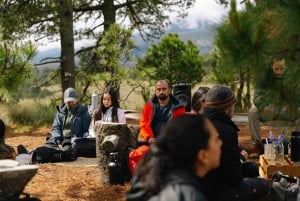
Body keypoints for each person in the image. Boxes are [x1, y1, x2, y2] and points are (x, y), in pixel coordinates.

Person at [126, 114, 222, 201]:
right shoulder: (188, 196)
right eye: (216, 139)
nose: (220, 143)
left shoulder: (152, 181)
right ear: (203, 155)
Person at [201, 85, 270, 201]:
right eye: (233, 106)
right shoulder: (227, 132)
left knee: (253, 168)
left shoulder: (197, 123)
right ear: (226, 109)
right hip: (216, 192)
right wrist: (241, 161)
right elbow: (233, 178)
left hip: (197, 187)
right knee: (264, 184)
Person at [17, 87, 92, 160]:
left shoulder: (84, 113)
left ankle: (32, 156)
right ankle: (31, 153)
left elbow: (86, 131)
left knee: (65, 151)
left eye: (71, 101)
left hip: (72, 141)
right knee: (47, 147)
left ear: (77, 99)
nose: (69, 103)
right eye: (67, 101)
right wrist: (58, 141)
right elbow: (56, 128)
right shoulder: (60, 112)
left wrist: (82, 139)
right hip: (58, 139)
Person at [248, 57, 300, 153]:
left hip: (287, 110)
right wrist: (263, 106)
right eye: (276, 69)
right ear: (271, 66)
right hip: (269, 110)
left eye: (281, 69)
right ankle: (257, 145)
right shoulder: (263, 78)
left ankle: (296, 144)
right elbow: (257, 96)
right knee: (252, 112)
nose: (279, 72)